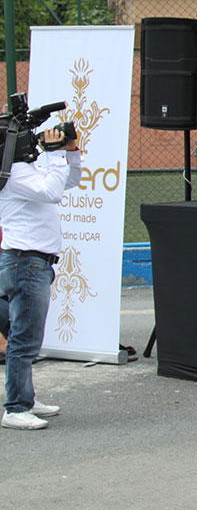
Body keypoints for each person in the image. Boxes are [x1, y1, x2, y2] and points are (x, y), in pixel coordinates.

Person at [0, 126, 81, 430]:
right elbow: (53, 192)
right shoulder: (14, 174)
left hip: (33, 263)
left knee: (27, 335)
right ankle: (16, 408)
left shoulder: (22, 171)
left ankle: (25, 398)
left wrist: (71, 153)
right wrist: (56, 153)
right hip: (25, 262)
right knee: (24, 339)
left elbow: (68, 181)